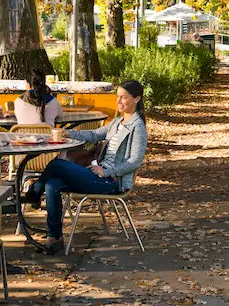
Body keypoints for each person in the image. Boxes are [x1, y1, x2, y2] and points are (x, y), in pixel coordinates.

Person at [23, 80, 148, 254]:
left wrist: (106, 172)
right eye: (117, 97)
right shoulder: (117, 122)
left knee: (57, 164)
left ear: (137, 99)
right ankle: (55, 238)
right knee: (52, 184)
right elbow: (94, 134)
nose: (118, 101)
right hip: (96, 173)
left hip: (110, 181)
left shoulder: (138, 128)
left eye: (123, 98)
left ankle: (34, 192)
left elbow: (135, 161)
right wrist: (69, 133)